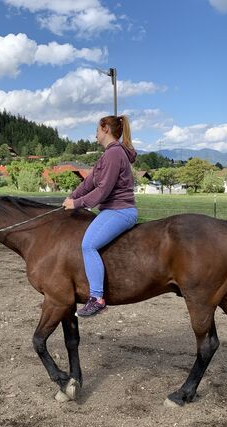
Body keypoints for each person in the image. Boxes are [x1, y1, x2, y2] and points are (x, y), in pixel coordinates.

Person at [63, 115, 138, 317]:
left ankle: (97, 298)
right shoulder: (108, 155)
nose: (95, 134)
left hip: (120, 211)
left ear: (105, 129)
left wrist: (77, 204)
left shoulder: (114, 154)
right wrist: (71, 196)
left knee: (88, 245)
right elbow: (89, 183)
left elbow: (103, 190)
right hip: (112, 210)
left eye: (97, 129)